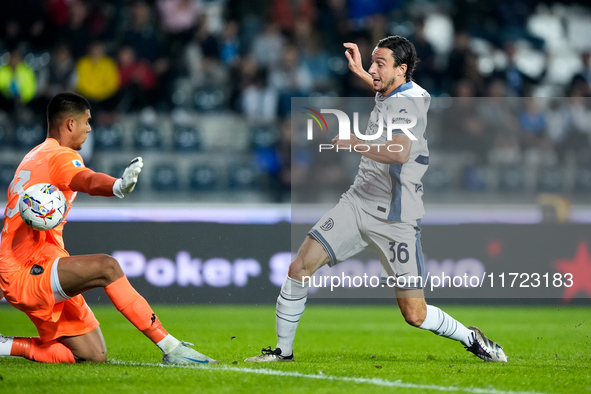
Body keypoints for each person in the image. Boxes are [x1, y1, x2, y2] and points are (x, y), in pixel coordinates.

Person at [245, 36, 508, 363]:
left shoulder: (407, 105)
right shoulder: (395, 88)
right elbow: (384, 88)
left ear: (402, 69)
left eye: (379, 64)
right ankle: (282, 352)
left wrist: (355, 141)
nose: (373, 70)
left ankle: (471, 338)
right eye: (371, 62)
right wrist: (359, 70)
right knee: (299, 267)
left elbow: (400, 152)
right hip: (357, 203)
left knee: (415, 314)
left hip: (396, 217)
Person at [0, 92, 218, 365]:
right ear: (70, 124)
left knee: (93, 355)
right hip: (28, 270)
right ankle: (171, 347)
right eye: (86, 121)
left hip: (29, 265)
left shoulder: (33, 157)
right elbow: (86, 180)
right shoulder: (60, 156)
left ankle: (8, 345)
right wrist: (117, 185)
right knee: (107, 267)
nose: (89, 128)